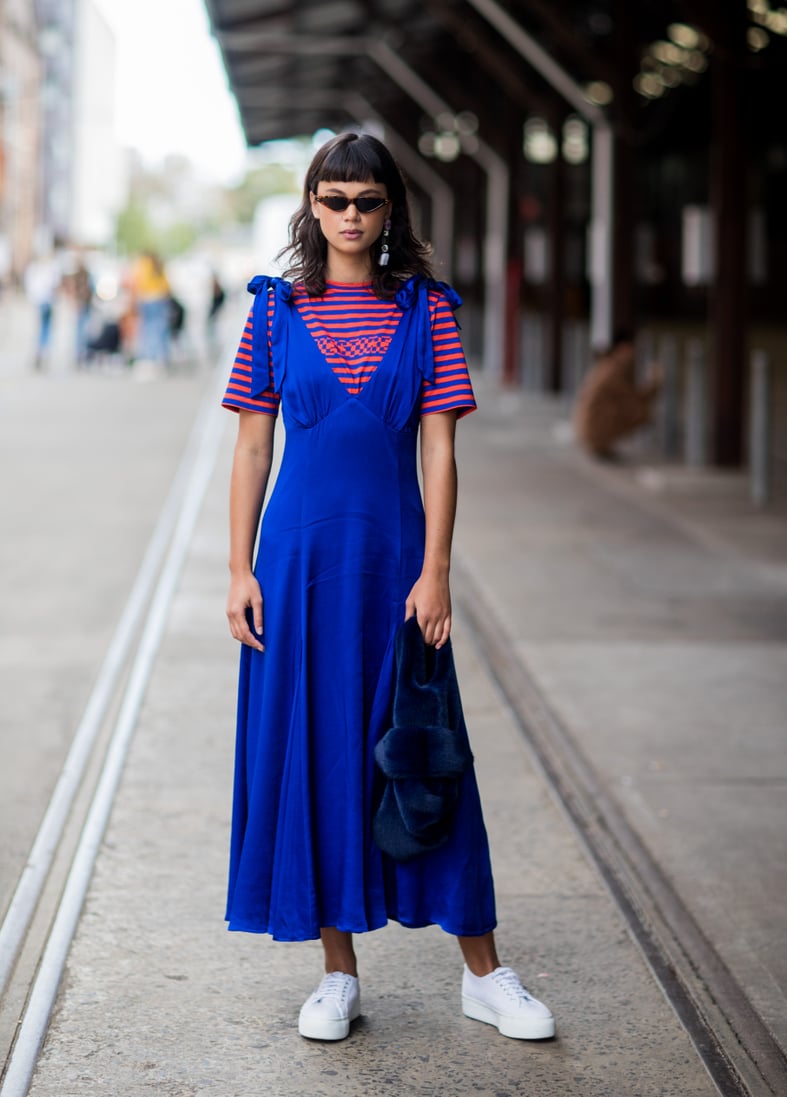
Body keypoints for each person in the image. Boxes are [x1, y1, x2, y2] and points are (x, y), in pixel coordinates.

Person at [222, 131, 555, 1044]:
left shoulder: (428, 311)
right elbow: (253, 444)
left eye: (367, 201)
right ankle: (337, 971)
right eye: (335, 200)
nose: (351, 217)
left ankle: (485, 973)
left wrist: (437, 570)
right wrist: (239, 565)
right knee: (317, 754)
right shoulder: (274, 311)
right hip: (296, 566)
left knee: (428, 753)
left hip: (398, 567)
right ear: (312, 207)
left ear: (390, 210)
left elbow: (441, 451)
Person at [573, 329, 663, 459]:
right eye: (630, 349)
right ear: (622, 348)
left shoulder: (607, 365)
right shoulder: (614, 372)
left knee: (633, 408)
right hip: (591, 431)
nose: (633, 354)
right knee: (641, 412)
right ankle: (601, 440)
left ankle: (602, 442)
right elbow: (635, 399)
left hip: (584, 429)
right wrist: (655, 382)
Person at [129, 250, 171, 366]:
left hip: (145, 300)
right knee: (158, 329)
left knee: (147, 329)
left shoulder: (141, 265)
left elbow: (135, 283)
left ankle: (149, 357)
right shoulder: (158, 266)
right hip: (158, 300)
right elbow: (166, 287)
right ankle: (159, 357)